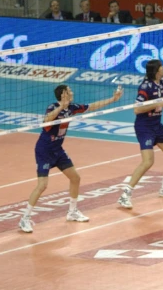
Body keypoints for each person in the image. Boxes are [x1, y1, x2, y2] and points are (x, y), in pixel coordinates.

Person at [19, 84, 123, 233]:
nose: (72, 92)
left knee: (75, 178)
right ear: (63, 95)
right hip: (45, 150)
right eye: (69, 91)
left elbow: (92, 106)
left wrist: (113, 99)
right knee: (42, 185)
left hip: (58, 150)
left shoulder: (72, 108)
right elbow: (46, 121)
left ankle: (72, 212)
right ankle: (25, 219)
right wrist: (61, 107)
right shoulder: (52, 107)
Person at [117, 60, 163, 208]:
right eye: (162, 67)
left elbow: (161, 105)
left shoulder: (161, 84)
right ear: (156, 70)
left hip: (157, 125)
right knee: (148, 162)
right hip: (144, 127)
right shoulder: (145, 86)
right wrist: (158, 102)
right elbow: (137, 109)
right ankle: (125, 194)